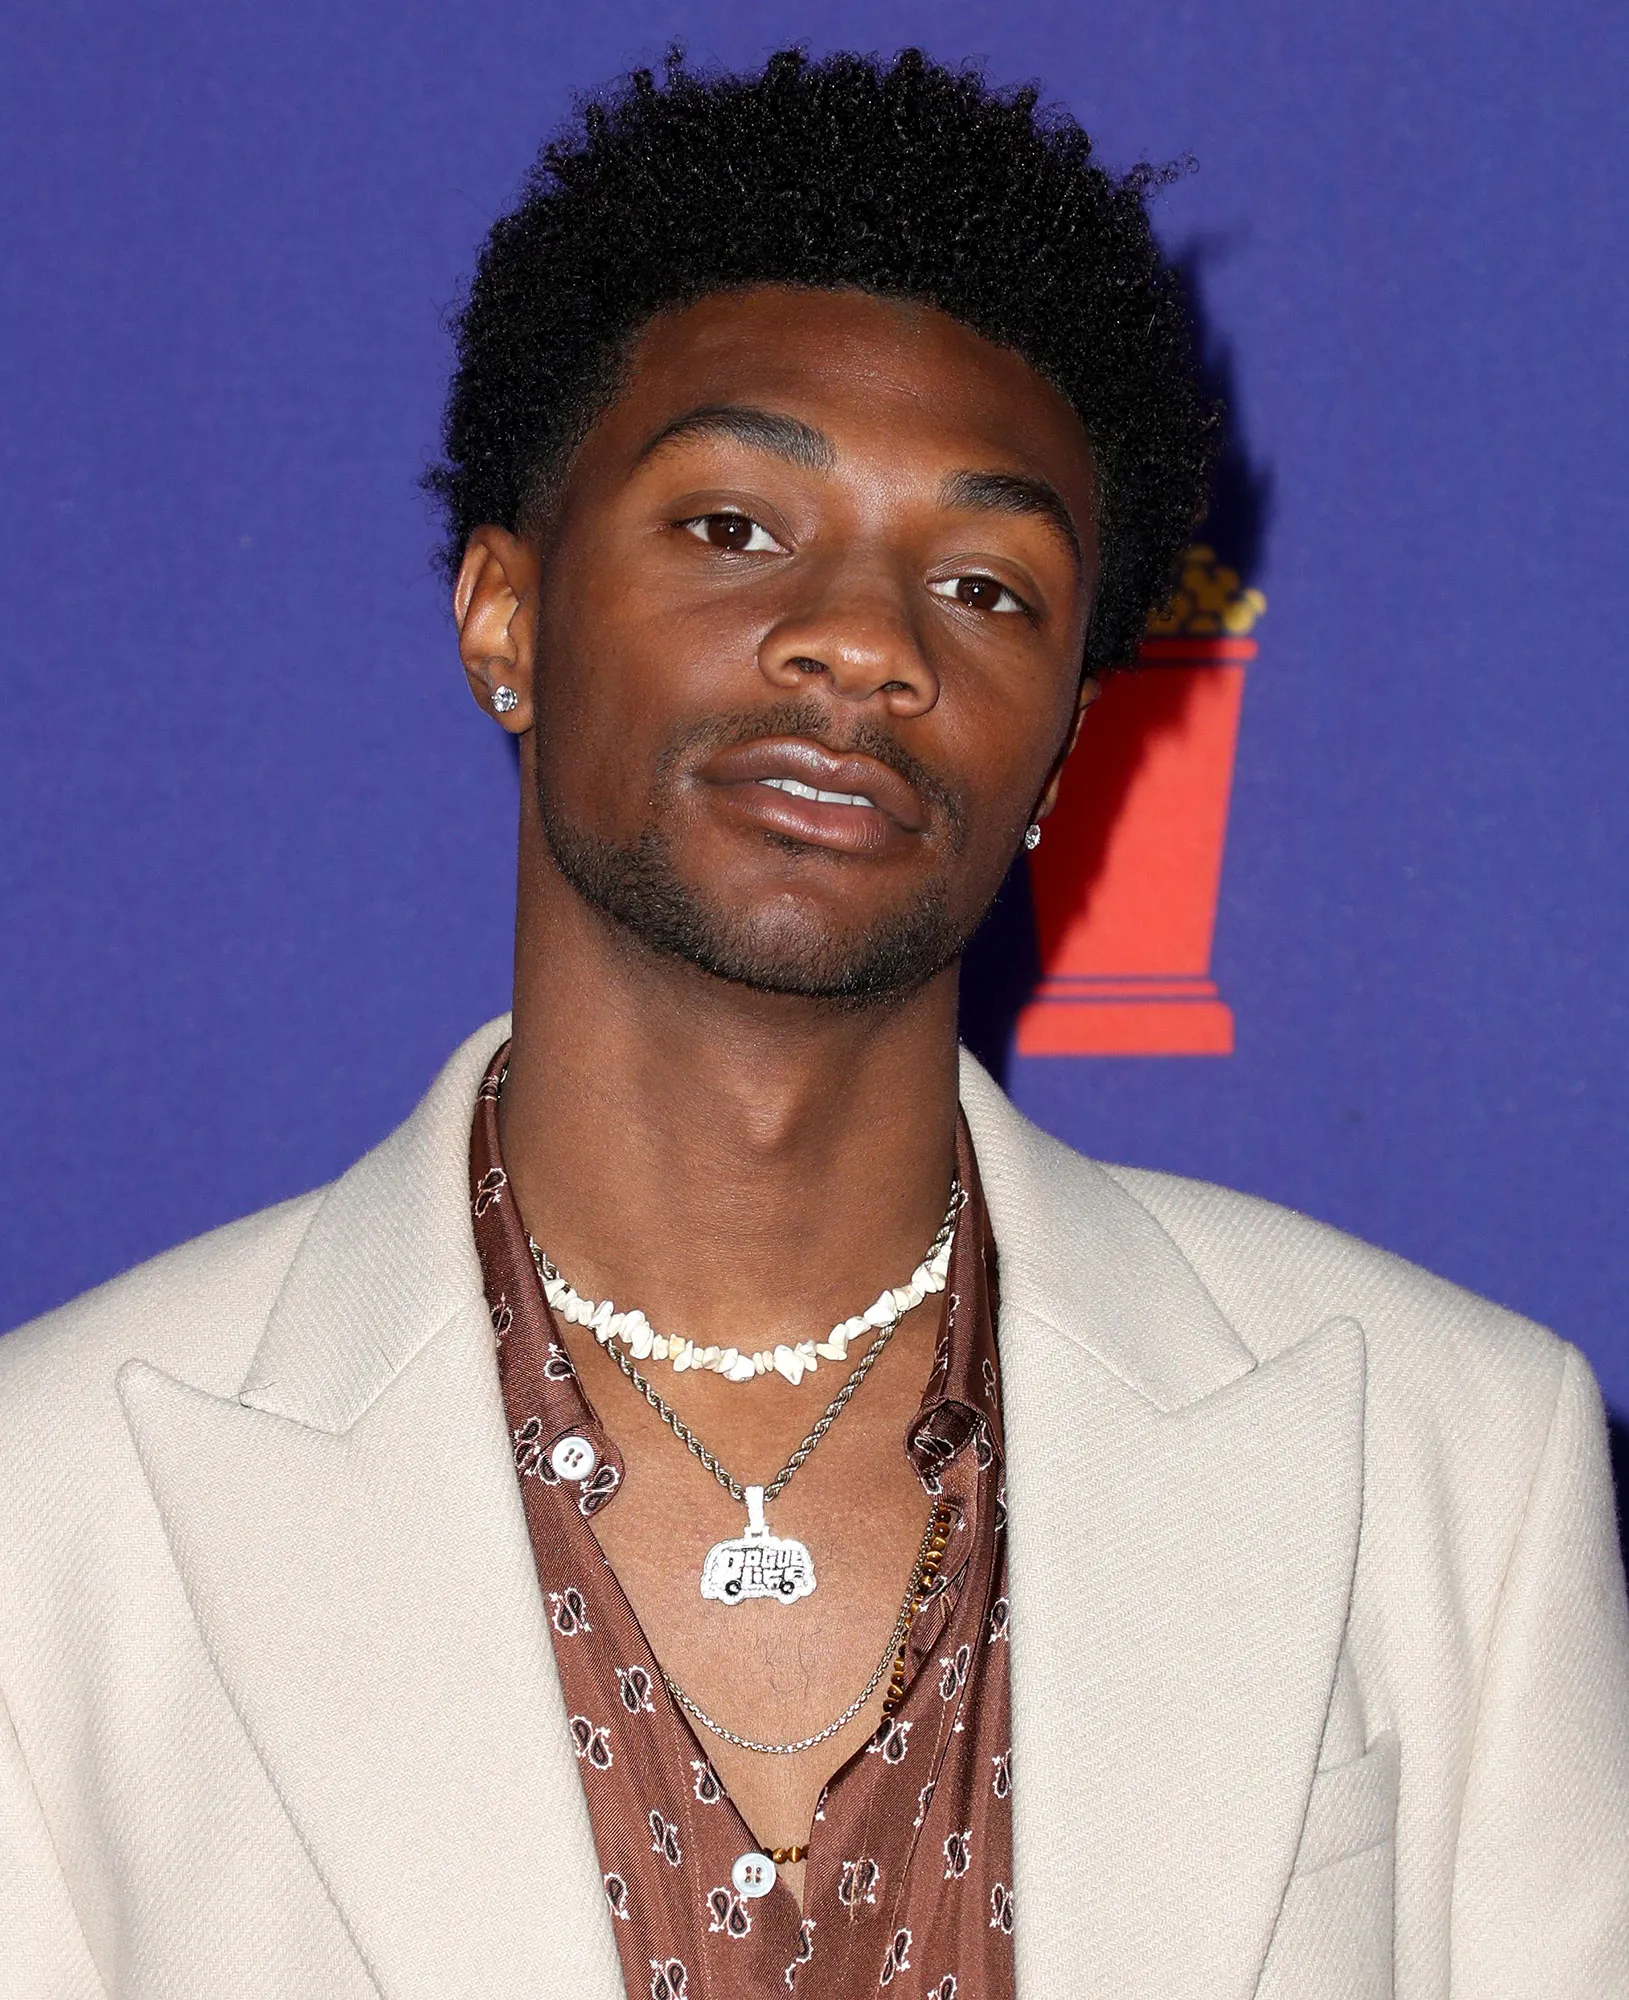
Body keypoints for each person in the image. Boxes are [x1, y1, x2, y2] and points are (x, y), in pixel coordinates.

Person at [2, 47, 1624, 2000]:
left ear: (1062, 749)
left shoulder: (1453, 1459)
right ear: (505, 619)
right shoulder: (52, 1507)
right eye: (733, 528)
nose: (866, 640)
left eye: (985, 584)